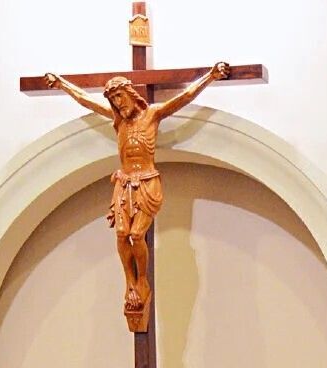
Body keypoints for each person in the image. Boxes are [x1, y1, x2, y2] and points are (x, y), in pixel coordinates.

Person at [43, 63, 230, 327]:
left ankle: (141, 278)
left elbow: (184, 98)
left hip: (146, 182)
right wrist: (62, 84)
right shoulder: (118, 121)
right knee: (121, 233)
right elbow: (86, 101)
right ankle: (130, 282)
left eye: (119, 97)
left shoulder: (152, 115)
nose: (118, 105)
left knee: (136, 235)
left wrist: (210, 76)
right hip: (123, 182)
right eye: (113, 100)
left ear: (130, 93)